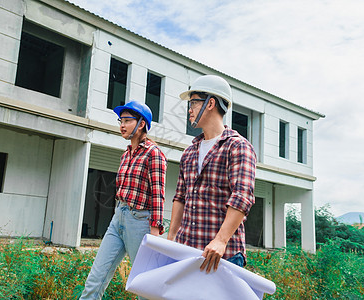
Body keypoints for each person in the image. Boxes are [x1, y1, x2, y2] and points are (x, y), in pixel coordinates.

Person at [167, 75, 256, 273]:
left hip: (222, 256)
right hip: (187, 251)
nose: (189, 110)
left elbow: (242, 197)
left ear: (210, 103)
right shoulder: (189, 152)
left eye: (193, 103)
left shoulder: (238, 146)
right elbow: (180, 198)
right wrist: (171, 239)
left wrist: (220, 240)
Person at [80, 100, 167, 300]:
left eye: (128, 120)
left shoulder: (154, 154)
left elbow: (158, 194)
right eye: (121, 120)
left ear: (142, 124)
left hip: (140, 223)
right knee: (96, 277)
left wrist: (154, 232)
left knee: (143, 284)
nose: (122, 125)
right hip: (118, 217)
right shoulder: (125, 155)